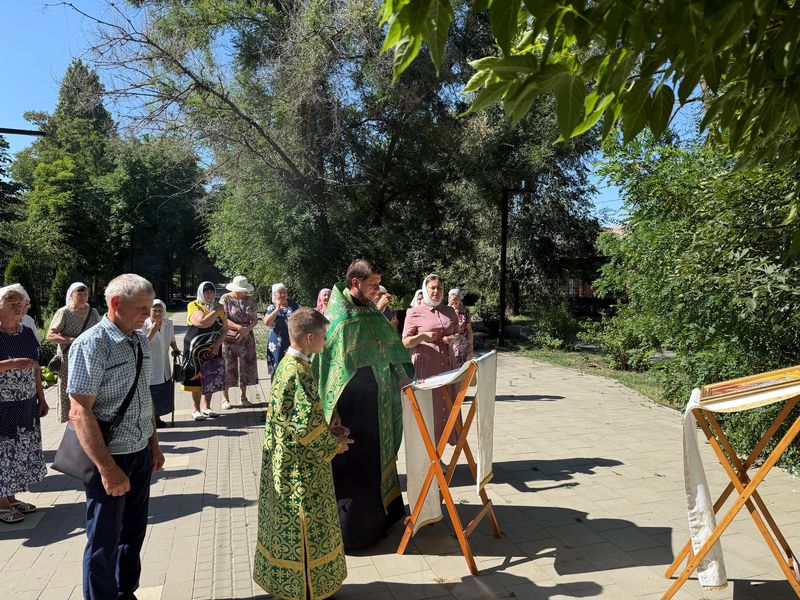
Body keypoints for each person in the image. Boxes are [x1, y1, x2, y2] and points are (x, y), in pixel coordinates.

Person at [67, 274, 165, 600]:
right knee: (103, 539)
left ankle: (126, 591)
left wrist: (154, 445)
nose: (148, 315)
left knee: (134, 532)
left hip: (138, 451)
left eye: (150, 307)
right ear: (115, 304)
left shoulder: (138, 340)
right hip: (108, 456)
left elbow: (143, 395)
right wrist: (108, 468)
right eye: (141, 308)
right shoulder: (91, 344)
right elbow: (80, 412)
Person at [313, 258, 414, 550]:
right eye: (372, 285)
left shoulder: (371, 312)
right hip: (351, 409)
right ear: (355, 283)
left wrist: (402, 374)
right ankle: (352, 533)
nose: (377, 290)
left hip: (378, 406)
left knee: (377, 462)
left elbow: (392, 347)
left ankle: (379, 522)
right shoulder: (339, 319)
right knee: (354, 468)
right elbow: (331, 367)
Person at [253, 308, 351, 600]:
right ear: (310, 337)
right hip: (300, 471)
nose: (325, 341)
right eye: (323, 335)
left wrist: (330, 430)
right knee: (304, 524)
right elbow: (304, 426)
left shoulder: (290, 364)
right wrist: (336, 445)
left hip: (288, 459)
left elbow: (299, 417)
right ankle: (306, 589)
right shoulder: (298, 372)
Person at [0, 284, 48, 524]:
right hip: (2, 405)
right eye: (12, 305)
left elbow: (35, 366)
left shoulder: (26, 330)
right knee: (2, 452)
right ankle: (0, 503)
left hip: (26, 402)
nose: (19, 308)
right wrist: (11, 364)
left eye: (21, 304)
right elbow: (19, 363)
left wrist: (41, 396)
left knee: (19, 450)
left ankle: (10, 496)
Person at [402, 274, 460, 445]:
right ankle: (430, 456)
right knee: (430, 409)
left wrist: (453, 339)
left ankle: (440, 451)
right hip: (426, 367)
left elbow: (457, 334)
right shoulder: (414, 312)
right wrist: (422, 336)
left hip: (448, 365)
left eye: (439, 288)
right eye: (432, 288)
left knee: (447, 406)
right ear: (425, 289)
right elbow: (405, 342)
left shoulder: (449, 311)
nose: (436, 291)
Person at [47, 282, 101, 422]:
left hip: (89, 357)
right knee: (68, 387)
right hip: (68, 357)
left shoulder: (93, 312)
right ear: (72, 295)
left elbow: (100, 333)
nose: (83, 296)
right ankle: (70, 420)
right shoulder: (64, 312)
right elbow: (50, 335)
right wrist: (72, 340)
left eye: (85, 293)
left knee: (90, 386)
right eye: (79, 293)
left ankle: (88, 417)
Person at [181, 282, 228, 421]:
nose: (209, 294)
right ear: (201, 292)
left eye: (212, 291)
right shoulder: (194, 305)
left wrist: (217, 344)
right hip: (195, 348)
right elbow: (202, 322)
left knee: (211, 376)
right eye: (206, 291)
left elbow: (225, 328)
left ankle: (206, 407)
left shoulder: (218, 307)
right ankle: (195, 409)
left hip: (213, 347)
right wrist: (216, 310)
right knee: (196, 377)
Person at [220, 276, 259, 409]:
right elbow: (223, 319)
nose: (240, 292)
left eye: (242, 290)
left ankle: (243, 397)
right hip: (229, 336)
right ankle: (225, 399)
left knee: (245, 366)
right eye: (238, 290)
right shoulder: (225, 298)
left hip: (246, 337)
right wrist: (239, 328)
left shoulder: (251, 300)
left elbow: (255, 320)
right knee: (228, 366)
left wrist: (246, 330)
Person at [142, 299, 179, 428]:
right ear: (149, 311)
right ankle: (149, 421)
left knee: (162, 392)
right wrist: (152, 332)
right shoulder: (142, 324)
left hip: (164, 364)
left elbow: (172, 338)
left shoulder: (168, 323)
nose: (157, 313)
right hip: (149, 365)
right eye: (154, 310)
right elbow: (141, 345)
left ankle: (157, 418)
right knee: (151, 393)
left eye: (160, 310)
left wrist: (175, 348)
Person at [263, 283, 300, 376]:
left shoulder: (294, 306)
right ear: (274, 295)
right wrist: (277, 309)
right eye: (280, 293)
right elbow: (266, 322)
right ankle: (274, 390)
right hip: (276, 342)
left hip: (292, 340)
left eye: (284, 292)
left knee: (292, 366)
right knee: (276, 368)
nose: (283, 295)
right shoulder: (271, 307)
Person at [448, 288, 474, 367]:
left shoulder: (465, 311)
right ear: (449, 299)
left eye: (457, 299)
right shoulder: (445, 311)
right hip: (449, 345)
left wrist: (471, 347)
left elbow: (469, 331)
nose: (455, 302)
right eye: (453, 299)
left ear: (460, 299)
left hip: (463, 346)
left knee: (463, 370)